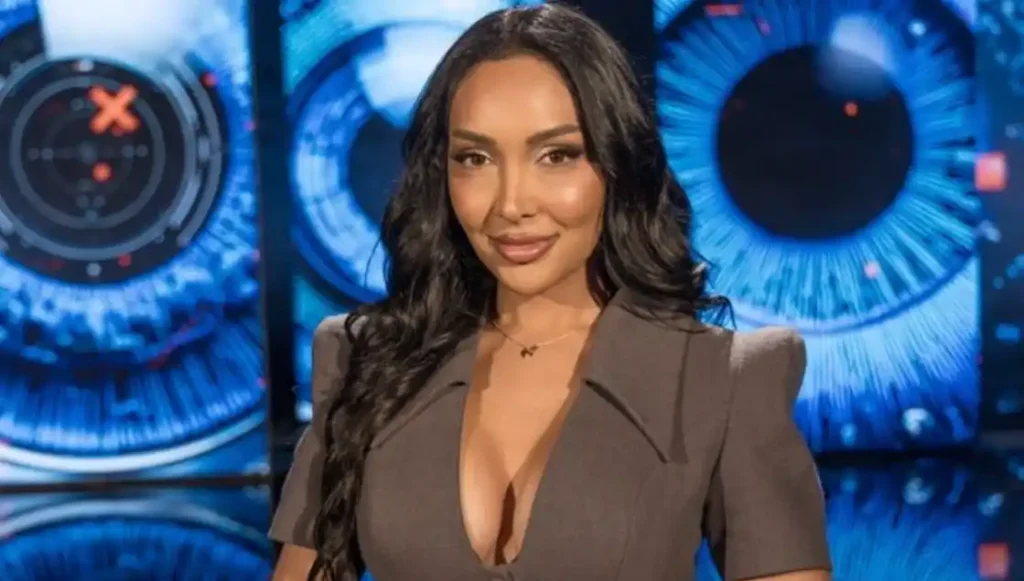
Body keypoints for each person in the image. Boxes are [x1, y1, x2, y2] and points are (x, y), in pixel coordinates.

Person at [270, 4, 831, 581]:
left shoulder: (720, 381)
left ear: (616, 165)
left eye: (557, 155)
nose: (512, 204)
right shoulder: (367, 363)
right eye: (475, 158)